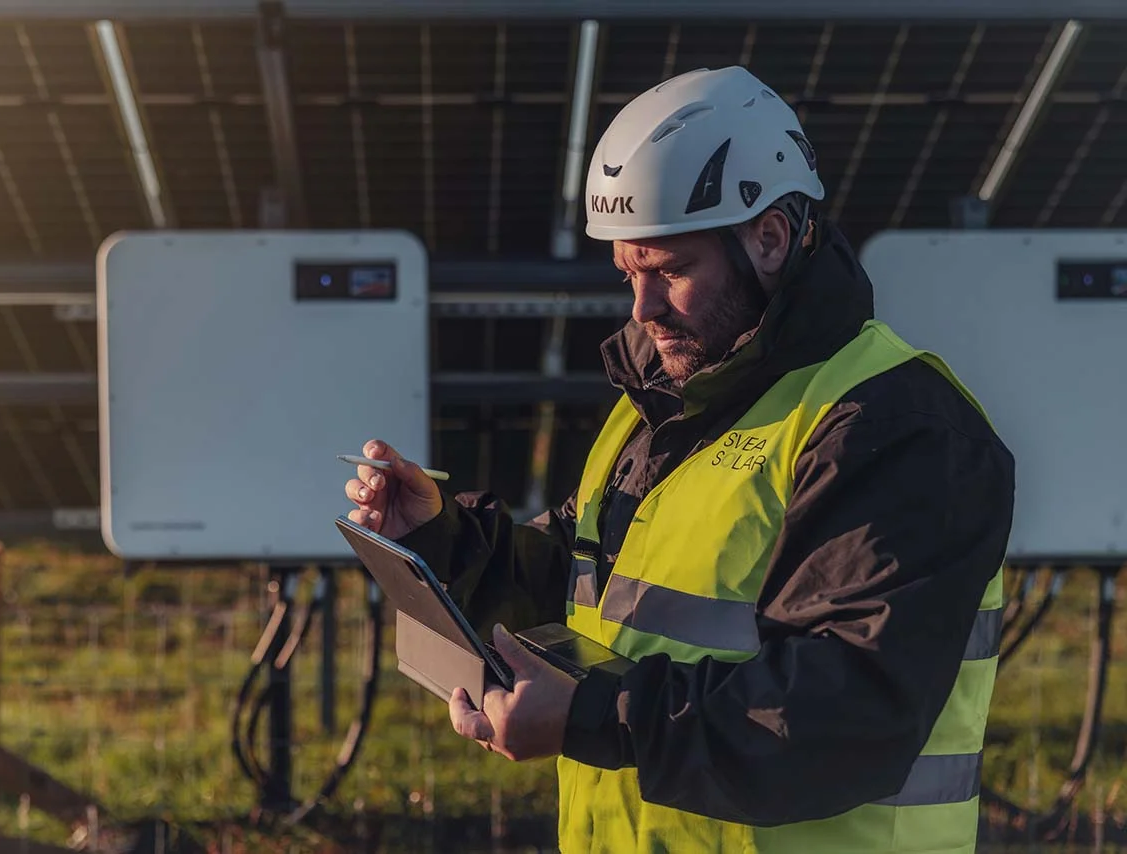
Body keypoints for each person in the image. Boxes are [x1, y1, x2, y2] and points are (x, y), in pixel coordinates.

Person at [344, 65, 1014, 853]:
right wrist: (444, 541)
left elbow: (840, 713)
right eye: (628, 272)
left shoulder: (895, 429)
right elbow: (582, 598)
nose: (643, 307)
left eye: (669, 270)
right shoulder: (662, 403)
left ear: (770, 238)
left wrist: (591, 717)